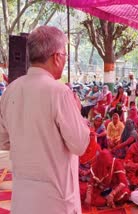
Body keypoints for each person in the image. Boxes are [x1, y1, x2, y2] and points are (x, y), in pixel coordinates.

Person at [0, 26, 90, 214]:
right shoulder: (59, 92)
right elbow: (80, 144)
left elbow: (3, 140)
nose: (64, 61)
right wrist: (78, 112)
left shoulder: (11, 91)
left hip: (23, 199)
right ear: (57, 56)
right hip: (55, 201)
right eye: (65, 55)